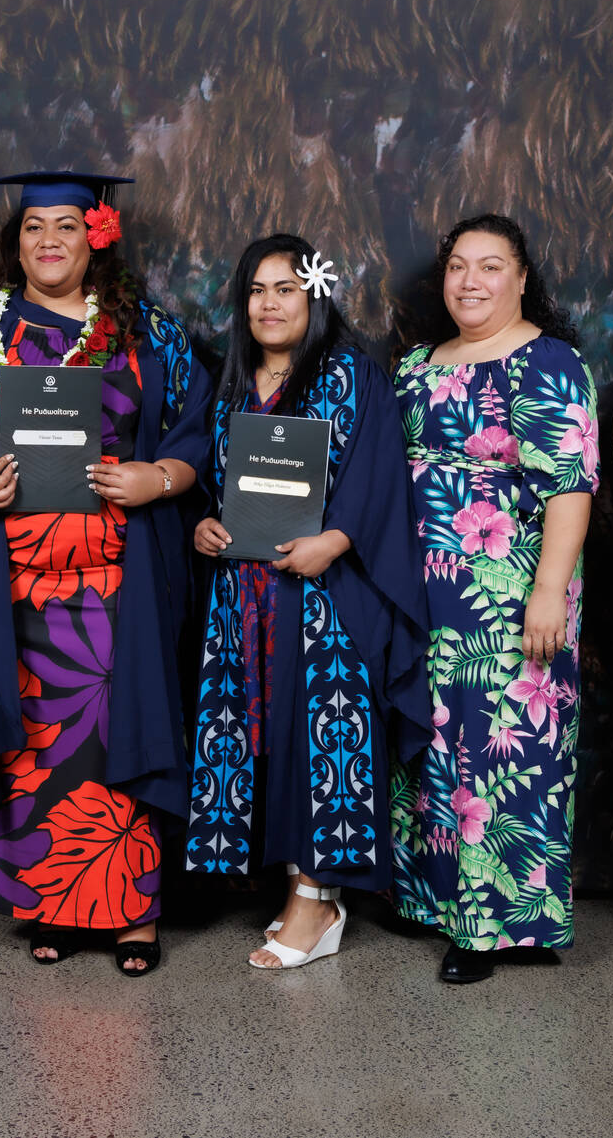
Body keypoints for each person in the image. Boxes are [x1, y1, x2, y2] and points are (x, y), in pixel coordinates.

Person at [0, 170, 213, 976]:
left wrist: (158, 479)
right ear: (17, 242)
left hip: (116, 585)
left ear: (96, 237)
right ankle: (49, 904)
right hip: (11, 590)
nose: (48, 240)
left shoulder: (148, 334)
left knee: (121, 735)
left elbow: (195, 436)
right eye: (34, 226)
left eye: (67, 226)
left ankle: (131, 911)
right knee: (32, 746)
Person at [187, 234, 431, 970]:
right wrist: (204, 523)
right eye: (257, 289)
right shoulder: (230, 385)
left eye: (286, 288)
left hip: (323, 595)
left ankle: (317, 896)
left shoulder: (354, 376)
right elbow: (213, 484)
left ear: (314, 295)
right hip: (246, 598)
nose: (269, 302)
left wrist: (339, 537)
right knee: (264, 739)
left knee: (321, 739)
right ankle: (301, 888)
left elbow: (382, 475)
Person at [389, 213, 598, 985]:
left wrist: (548, 592)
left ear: (520, 277)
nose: (470, 281)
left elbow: (571, 486)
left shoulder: (544, 360)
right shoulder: (417, 362)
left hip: (508, 591)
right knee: (436, 746)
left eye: (490, 266)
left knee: (504, 753)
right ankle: (441, 903)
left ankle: (498, 926)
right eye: (457, 267)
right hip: (425, 591)